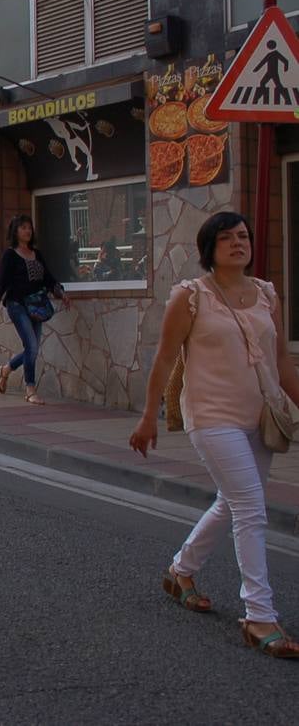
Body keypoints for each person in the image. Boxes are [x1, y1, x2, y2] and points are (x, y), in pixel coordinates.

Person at [131, 212, 299, 659]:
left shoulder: (266, 294)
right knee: (250, 506)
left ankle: (181, 570)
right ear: (210, 248)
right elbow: (165, 361)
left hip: (258, 416)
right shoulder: (190, 297)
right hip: (210, 416)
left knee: (232, 500)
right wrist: (149, 417)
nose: (238, 243)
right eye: (226, 238)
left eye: (243, 236)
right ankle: (259, 615)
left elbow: (282, 361)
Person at [0, 214, 69, 405]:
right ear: (16, 231)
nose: (28, 231)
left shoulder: (37, 254)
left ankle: (6, 369)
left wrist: (61, 292)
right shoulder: (10, 255)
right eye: (23, 227)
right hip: (17, 305)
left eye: (29, 227)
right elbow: (1, 284)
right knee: (31, 346)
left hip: (37, 306)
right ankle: (30, 390)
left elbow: (48, 279)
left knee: (32, 349)